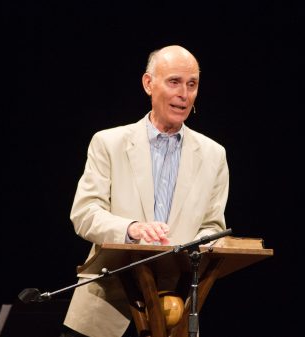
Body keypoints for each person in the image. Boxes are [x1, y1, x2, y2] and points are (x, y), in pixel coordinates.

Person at [61, 45, 230, 337]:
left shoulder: (214, 154)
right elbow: (85, 213)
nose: (184, 94)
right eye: (174, 82)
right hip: (105, 307)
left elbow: (213, 226)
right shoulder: (109, 143)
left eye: (192, 85)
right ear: (148, 83)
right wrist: (132, 229)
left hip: (174, 309)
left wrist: (196, 245)